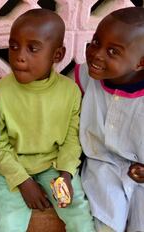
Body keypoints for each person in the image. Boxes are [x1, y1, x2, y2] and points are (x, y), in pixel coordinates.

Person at [0, 9, 95, 232]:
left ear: (57, 55)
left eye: (32, 48)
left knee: (78, 212)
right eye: (14, 46)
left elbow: (72, 139)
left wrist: (66, 174)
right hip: (12, 169)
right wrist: (23, 182)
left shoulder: (70, 92)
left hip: (53, 167)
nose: (19, 56)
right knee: (8, 222)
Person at [75, 7, 144, 232]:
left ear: (140, 62)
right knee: (106, 222)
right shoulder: (85, 76)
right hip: (102, 166)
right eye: (96, 42)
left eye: (113, 51)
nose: (97, 54)